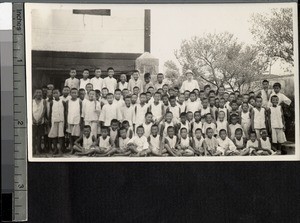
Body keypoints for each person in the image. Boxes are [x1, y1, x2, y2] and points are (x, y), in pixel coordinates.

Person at [48, 89, 66, 156]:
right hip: (54, 120)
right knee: (54, 136)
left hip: (61, 120)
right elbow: (50, 112)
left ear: (59, 93)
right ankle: (55, 149)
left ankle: (60, 150)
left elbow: (65, 112)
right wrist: (50, 121)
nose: (55, 94)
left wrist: (65, 122)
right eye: (54, 93)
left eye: (56, 93)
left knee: (60, 136)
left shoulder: (63, 102)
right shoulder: (51, 102)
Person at [32, 88, 47, 155]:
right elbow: (30, 111)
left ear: (42, 93)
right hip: (33, 121)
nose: (38, 94)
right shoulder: (32, 101)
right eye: (37, 92)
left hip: (41, 121)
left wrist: (41, 118)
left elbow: (44, 110)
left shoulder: (43, 101)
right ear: (35, 93)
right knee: (33, 136)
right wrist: (33, 119)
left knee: (39, 136)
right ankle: (33, 149)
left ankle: (38, 149)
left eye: (40, 92)